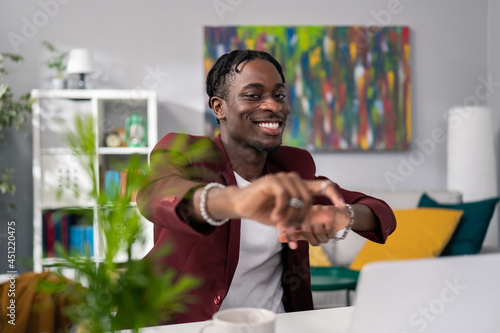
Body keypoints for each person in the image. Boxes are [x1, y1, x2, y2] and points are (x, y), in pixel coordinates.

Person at [136, 49, 396, 324]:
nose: (273, 105)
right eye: (253, 95)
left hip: (276, 324)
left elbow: (380, 212)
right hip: (190, 326)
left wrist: (343, 216)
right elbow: (155, 193)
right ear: (218, 107)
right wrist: (235, 201)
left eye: (279, 95)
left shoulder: (293, 167)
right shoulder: (187, 152)